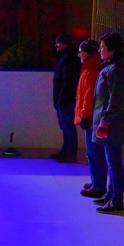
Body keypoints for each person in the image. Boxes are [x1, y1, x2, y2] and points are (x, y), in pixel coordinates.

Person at [91, 32, 124, 213]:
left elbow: (114, 100)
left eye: (103, 48)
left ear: (112, 50)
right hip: (110, 121)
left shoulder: (116, 70)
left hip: (112, 123)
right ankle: (110, 194)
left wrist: (105, 122)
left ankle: (116, 200)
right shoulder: (111, 68)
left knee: (114, 162)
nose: (100, 51)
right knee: (111, 160)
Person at [75, 38, 107, 198]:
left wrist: (84, 115)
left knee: (94, 153)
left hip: (91, 117)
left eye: (81, 51)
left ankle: (99, 185)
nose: (79, 54)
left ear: (88, 52)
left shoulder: (92, 70)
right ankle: (96, 182)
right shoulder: (89, 68)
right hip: (91, 116)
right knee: (94, 152)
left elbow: (88, 97)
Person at [52, 34, 82, 163]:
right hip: (63, 98)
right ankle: (66, 150)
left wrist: (62, 98)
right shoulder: (66, 57)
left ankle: (70, 152)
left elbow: (67, 80)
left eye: (58, 43)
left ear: (65, 44)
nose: (56, 45)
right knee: (65, 126)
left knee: (68, 126)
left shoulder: (69, 58)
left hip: (66, 99)